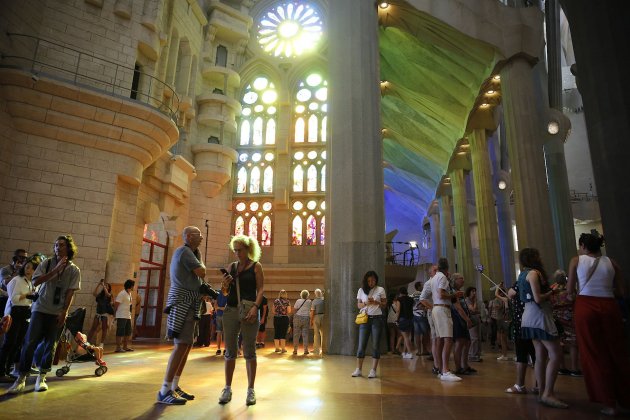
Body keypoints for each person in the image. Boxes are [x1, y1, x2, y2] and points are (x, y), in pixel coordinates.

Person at [567, 232, 630, 416]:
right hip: (609, 306)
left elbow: (570, 290)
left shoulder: (576, 261)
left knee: (593, 353)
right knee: (617, 351)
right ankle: (625, 397)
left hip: (586, 306)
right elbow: (621, 291)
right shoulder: (612, 262)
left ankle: (607, 401)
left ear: (583, 246)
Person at [8, 235, 81, 394]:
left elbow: (70, 293)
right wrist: (55, 271)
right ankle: (21, 378)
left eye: (61, 245)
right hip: (40, 309)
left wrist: (64, 312)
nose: (57, 248)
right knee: (29, 342)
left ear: (68, 248)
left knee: (51, 344)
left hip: (57, 312)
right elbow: (36, 282)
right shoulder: (46, 263)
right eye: (55, 245)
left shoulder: (74, 270)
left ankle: (41, 377)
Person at [156, 226, 207, 405]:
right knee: (181, 345)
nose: (201, 238)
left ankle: (174, 386)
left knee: (187, 344)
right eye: (198, 236)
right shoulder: (184, 252)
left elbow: (200, 273)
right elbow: (202, 272)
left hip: (191, 301)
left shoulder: (194, 252)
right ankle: (164, 390)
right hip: (183, 302)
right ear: (188, 237)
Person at [518, 248, 567, 409]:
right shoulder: (534, 273)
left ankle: (541, 392)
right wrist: (553, 291)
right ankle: (548, 393)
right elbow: (538, 298)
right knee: (555, 354)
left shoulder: (522, 274)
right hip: (539, 316)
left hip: (528, 316)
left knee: (540, 355)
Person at [218, 235, 265, 406]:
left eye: (240, 250)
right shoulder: (232, 266)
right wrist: (224, 284)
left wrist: (255, 307)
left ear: (248, 249)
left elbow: (260, 290)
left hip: (249, 310)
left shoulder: (256, 267)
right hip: (230, 311)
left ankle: (251, 389)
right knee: (230, 351)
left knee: (249, 350)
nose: (237, 253)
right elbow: (224, 293)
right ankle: (227, 388)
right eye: (235, 250)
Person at [0, 255, 41, 381]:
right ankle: (1, 373)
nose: (28, 269)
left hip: (25, 313)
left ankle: (8, 370)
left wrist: (33, 297)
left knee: (18, 344)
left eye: (31, 268)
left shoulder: (31, 282)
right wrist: (28, 295)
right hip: (15, 312)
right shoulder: (16, 280)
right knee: (9, 343)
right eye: (26, 267)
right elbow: (13, 299)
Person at [430, 258, 462, 382]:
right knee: (448, 339)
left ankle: (440, 368)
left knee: (440, 340)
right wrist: (455, 295)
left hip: (436, 309)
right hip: (442, 309)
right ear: (447, 268)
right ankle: (445, 370)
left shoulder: (434, 278)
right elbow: (441, 294)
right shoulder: (442, 277)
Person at [351, 270, 386, 379]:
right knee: (361, 345)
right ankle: (358, 369)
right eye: (369, 281)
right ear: (366, 281)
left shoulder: (380, 289)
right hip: (365, 319)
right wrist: (366, 303)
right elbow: (358, 305)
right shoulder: (361, 290)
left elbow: (385, 305)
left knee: (375, 345)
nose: (371, 282)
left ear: (376, 280)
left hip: (377, 319)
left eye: (373, 280)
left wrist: (377, 303)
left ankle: (373, 370)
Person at [505, 275, 536, 394]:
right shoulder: (540, 278)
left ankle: (520, 384)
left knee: (522, 353)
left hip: (523, 321)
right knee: (537, 354)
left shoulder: (523, 280)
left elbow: (510, 294)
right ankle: (540, 385)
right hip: (536, 321)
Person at [550, 269, 581, 377]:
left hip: (556, 318)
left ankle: (562, 367)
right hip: (569, 317)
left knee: (560, 343)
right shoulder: (570, 288)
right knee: (573, 343)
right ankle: (574, 368)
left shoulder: (552, 289)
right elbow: (576, 300)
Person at [451, 273, 474, 375]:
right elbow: (458, 308)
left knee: (467, 342)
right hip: (457, 319)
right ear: (455, 280)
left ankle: (465, 365)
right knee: (459, 342)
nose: (463, 280)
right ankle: (458, 368)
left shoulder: (459, 292)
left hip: (462, 319)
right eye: (461, 278)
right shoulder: (453, 292)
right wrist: (467, 319)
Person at [87, 279, 113, 347]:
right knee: (93, 328)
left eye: (107, 286)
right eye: (105, 286)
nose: (105, 287)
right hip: (98, 313)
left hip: (105, 314)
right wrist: (99, 284)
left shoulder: (109, 295)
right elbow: (94, 293)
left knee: (104, 329)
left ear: (109, 288)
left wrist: (103, 285)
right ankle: (87, 342)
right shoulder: (100, 295)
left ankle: (102, 343)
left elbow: (107, 294)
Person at [1, 249, 28, 313]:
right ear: (15, 258)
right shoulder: (5, 269)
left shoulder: (25, 270)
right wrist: (17, 271)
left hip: (17, 301)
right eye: (22, 257)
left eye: (25, 258)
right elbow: (6, 284)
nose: (24, 260)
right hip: (5, 299)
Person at [114, 279, 135, 352]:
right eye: (133, 286)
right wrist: (114, 315)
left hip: (127, 315)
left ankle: (125, 346)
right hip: (121, 315)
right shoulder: (122, 293)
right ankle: (118, 347)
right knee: (120, 331)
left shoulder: (129, 293)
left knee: (128, 331)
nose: (133, 287)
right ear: (130, 286)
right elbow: (116, 305)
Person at [396, 287, 415, 359]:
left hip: (402, 319)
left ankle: (410, 353)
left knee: (406, 337)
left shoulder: (399, 299)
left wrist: (397, 320)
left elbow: (398, 310)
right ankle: (404, 353)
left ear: (400, 293)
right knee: (407, 337)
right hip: (410, 319)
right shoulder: (411, 299)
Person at [465, 286, 482, 362]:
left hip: (477, 319)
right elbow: (473, 309)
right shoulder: (467, 300)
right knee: (474, 338)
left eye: (475, 291)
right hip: (471, 320)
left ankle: (477, 354)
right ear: (469, 292)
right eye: (472, 291)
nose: (474, 293)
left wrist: (476, 311)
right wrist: (475, 302)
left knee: (478, 337)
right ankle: (472, 355)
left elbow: (478, 311)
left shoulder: (475, 300)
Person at [292, 290, 312, 355]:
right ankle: (306, 350)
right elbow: (311, 309)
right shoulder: (309, 301)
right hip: (306, 318)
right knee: (305, 335)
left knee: (296, 335)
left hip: (298, 317)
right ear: (307, 295)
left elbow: (295, 309)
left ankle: (295, 350)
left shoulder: (298, 301)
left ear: (301, 294)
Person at [310, 288, 324, 356]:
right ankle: (324, 349)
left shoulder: (314, 301)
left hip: (317, 316)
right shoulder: (324, 300)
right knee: (323, 334)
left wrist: (311, 320)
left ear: (315, 294)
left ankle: (316, 350)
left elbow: (312, 312)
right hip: (324, 317)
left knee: (316, 334)